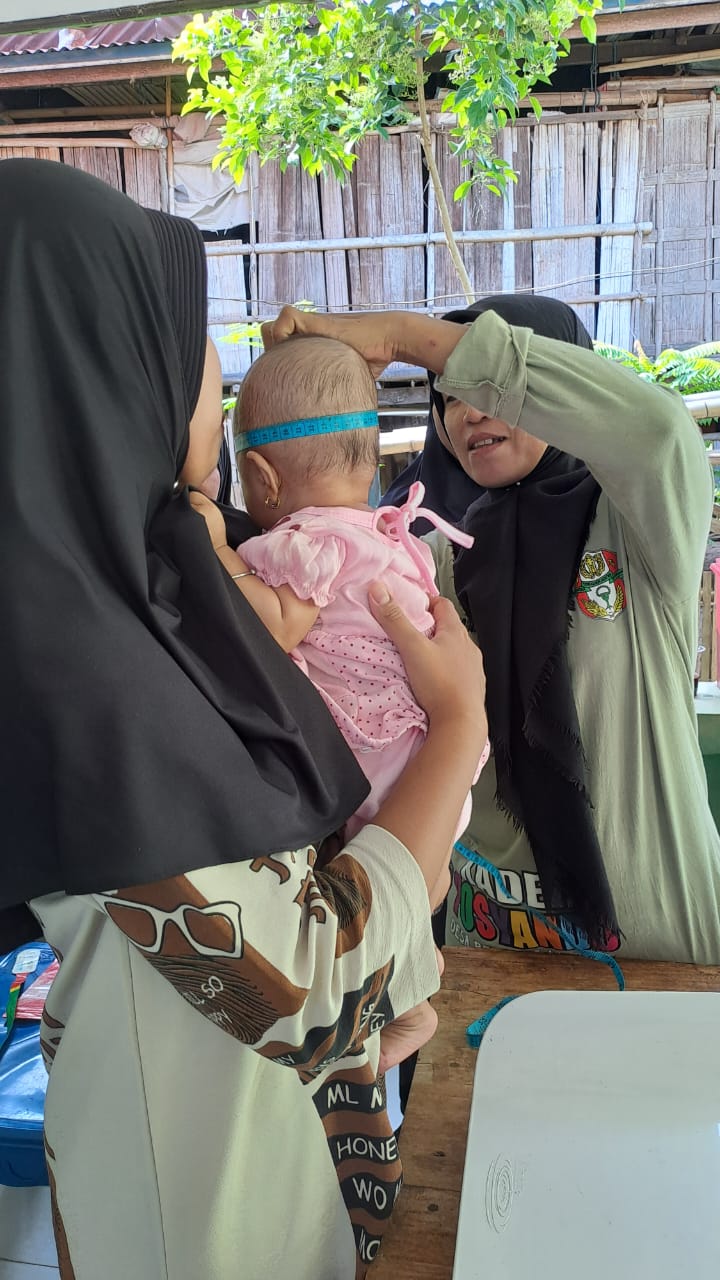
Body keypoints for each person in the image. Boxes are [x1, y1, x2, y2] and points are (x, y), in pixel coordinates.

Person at [1, 159, 488, 1280]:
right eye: (186, 352)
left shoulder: (143, 597)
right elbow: (306, 982)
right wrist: (459, 725)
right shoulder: (90, 670)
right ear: (95, 372)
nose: (213, 387)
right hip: (205, 1219)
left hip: (267, 1159)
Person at [262, 296, 720, 966]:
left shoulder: (640, 535)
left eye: (489, 389)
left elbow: (657, 429)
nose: (469, 412)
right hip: (486, 957)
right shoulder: (425, 564)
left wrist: (401, 336)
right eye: (449, 398)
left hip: (665, 960)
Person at [189, 334, 489, 1076]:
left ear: (260, 478)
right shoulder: (380, 535)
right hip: (425, 753)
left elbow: (275, 624)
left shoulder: (304, 543)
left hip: (378, 754)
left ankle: (409, 1001)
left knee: (371, 887)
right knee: (416, 886)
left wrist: (216, 551)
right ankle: (413, 996)